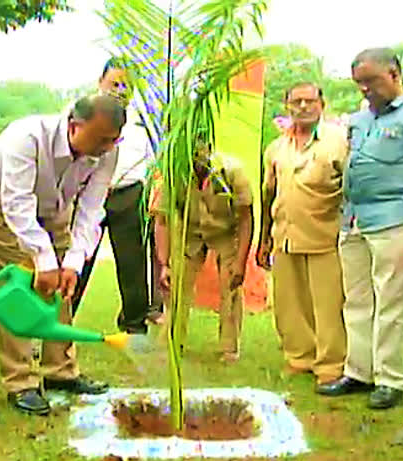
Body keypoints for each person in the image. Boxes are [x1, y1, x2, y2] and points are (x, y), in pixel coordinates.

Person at [317, 48, 403, 410]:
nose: (365, 89)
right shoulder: (358, 121)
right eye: (359, 83)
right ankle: (359, 371)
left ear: (394, 74)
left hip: (399, 219)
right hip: (354, 219)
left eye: (371, 81)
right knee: (357, 300)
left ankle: (390, 379)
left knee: (392, 302)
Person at [0, 94, 125, 415]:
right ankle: (21, 381)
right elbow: (17, 203)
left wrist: (71, 263)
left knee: (62, 287)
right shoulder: (26, 137)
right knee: (18, 292)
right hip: (0, 208)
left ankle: (60, 371)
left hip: (54, 210)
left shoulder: (107, 152)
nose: (107, 148)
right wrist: (43, 260)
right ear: (74, 126)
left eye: (114, 140)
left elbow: (91, 207)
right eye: (101, 140)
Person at [257, 82, 348, 383]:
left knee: (329, 306)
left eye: (310, 101)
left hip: (326, 236)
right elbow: (268, 193)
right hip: (284, 236)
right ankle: (299, 357)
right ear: (287, 106)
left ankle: (330, 365)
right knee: (288, 305)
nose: (304, 107)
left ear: (322, 104)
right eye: (297, 102)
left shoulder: (339, 142)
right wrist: (264, 238)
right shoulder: (276, 148)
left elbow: (351, 191)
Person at [71, 58, 156, 334]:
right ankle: (59, 319)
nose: (119, 90)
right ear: (100, 82)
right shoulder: (82, 112)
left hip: (129, 193)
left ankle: (134, 323)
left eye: (126, 85)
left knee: (132, 263)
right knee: (77, 258)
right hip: (87, 195)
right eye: (114, 83)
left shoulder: (145, 121)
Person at [152, 135, 253, 363]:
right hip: (191, 233)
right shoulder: (174, 174)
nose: (198, 155)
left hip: (226, 230)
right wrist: (165, 264)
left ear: (210, 147)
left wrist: (240, 262)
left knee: (231, 285)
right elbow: (162, 221)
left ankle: (229, 348)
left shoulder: (232, 170)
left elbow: (246, 217)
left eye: (201, 149)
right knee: (177, 284)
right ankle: (172, 341)